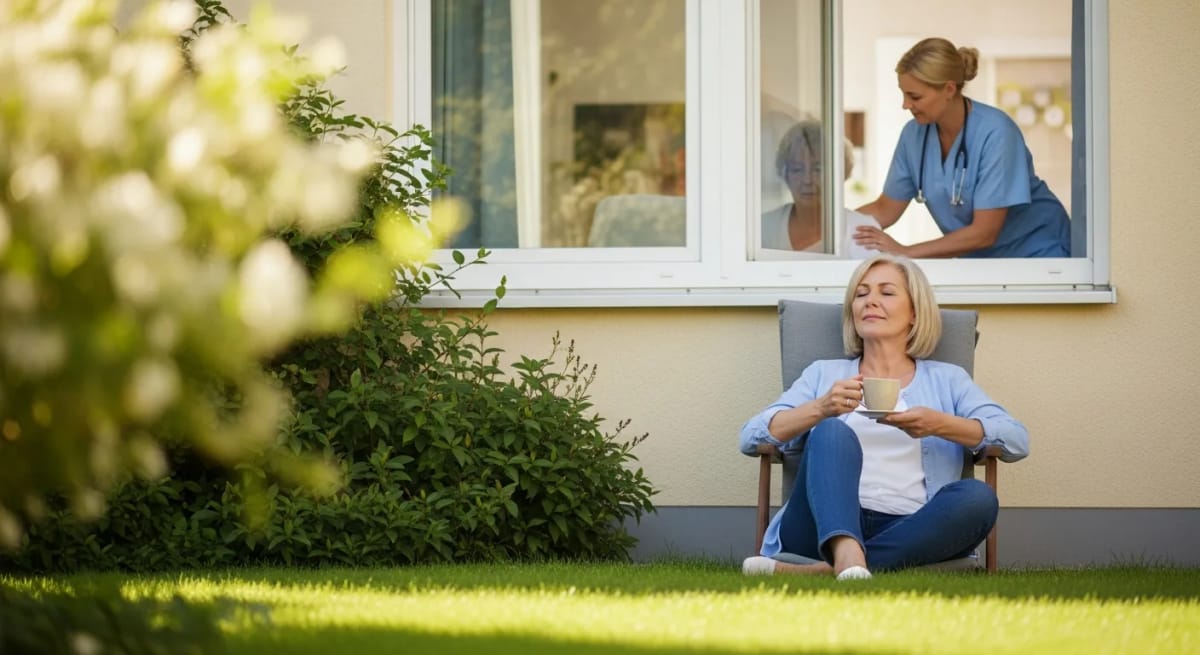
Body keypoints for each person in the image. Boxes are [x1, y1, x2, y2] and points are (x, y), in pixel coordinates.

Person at [738, 253, 1029, 579]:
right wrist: (821, 408)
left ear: (915, 314)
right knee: (831, 431)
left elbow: (1016, 440)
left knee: (978, 498)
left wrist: (939, 424)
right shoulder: (825, 375)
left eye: (886, 293)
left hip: (910, 525)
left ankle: (829, 570)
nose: (869, 301)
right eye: (861, 294)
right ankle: (845, 552)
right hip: (819, 526)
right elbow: (751, 437)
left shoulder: (948, 379)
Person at [855, 37, 1070, 258]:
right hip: (980, 262)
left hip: (1039, 254)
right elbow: (884, 210)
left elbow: (984, 233)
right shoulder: (913, 135)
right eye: (903, 94)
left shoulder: (996, 132)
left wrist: (904, 252)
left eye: (915, 96)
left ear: (948, 89)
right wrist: (832, 228)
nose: (905, 105)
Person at [762, 120, 854, 251]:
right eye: (797, 169)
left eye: (818, 169)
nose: (807, 180)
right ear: (785, 175)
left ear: (839, 174)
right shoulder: (763, 229)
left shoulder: (861, 232)